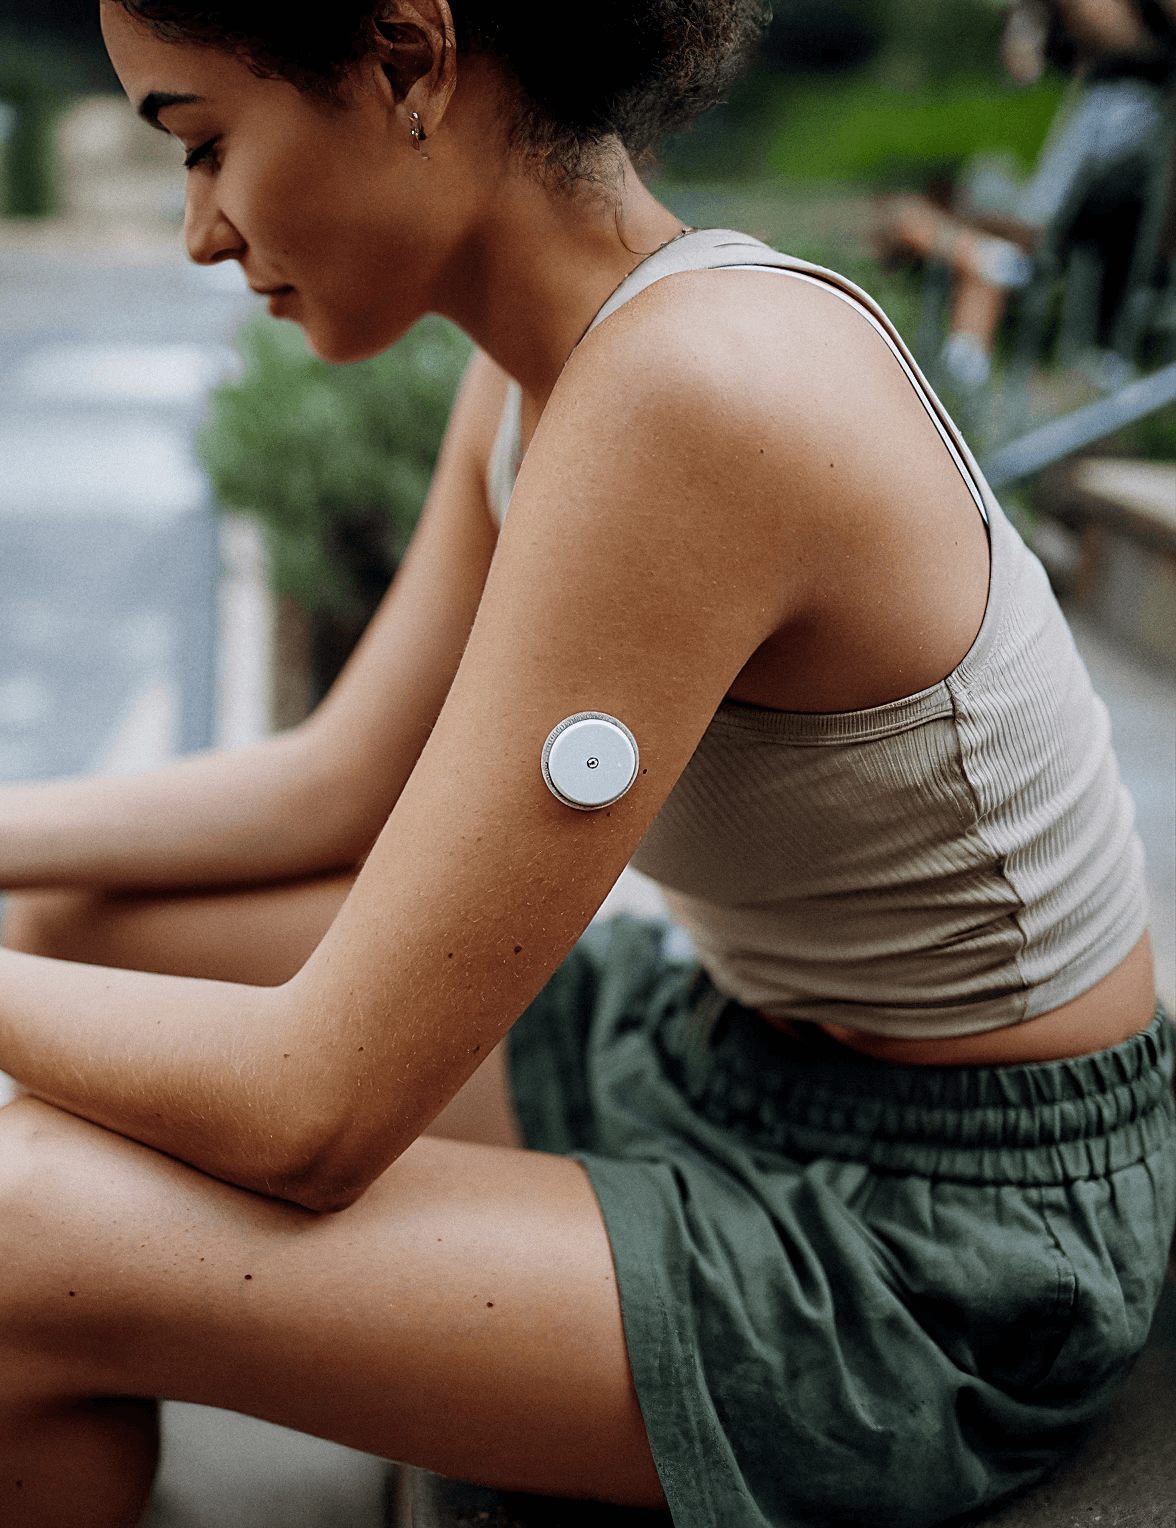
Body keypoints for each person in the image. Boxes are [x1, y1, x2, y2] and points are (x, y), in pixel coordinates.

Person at [0, 4, 1172, 1526]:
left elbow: (317, 1109)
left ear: (409, 60)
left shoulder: (690, 393)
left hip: (945, 1244)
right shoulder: (554, 360)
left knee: (23, 1233)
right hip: (728, 1057)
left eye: (204, 142)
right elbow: (337, 784)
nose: (200, 232)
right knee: (77, 930)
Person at [877, 0, 1176, 388]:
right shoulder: (1094, 80)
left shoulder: (1125, 101)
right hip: (1055, 192)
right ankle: (979, 283)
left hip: (1060, 208)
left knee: (914, 216)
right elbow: (1021, 68)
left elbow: (1040, 220)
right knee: (960, 202)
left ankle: (980, 264)